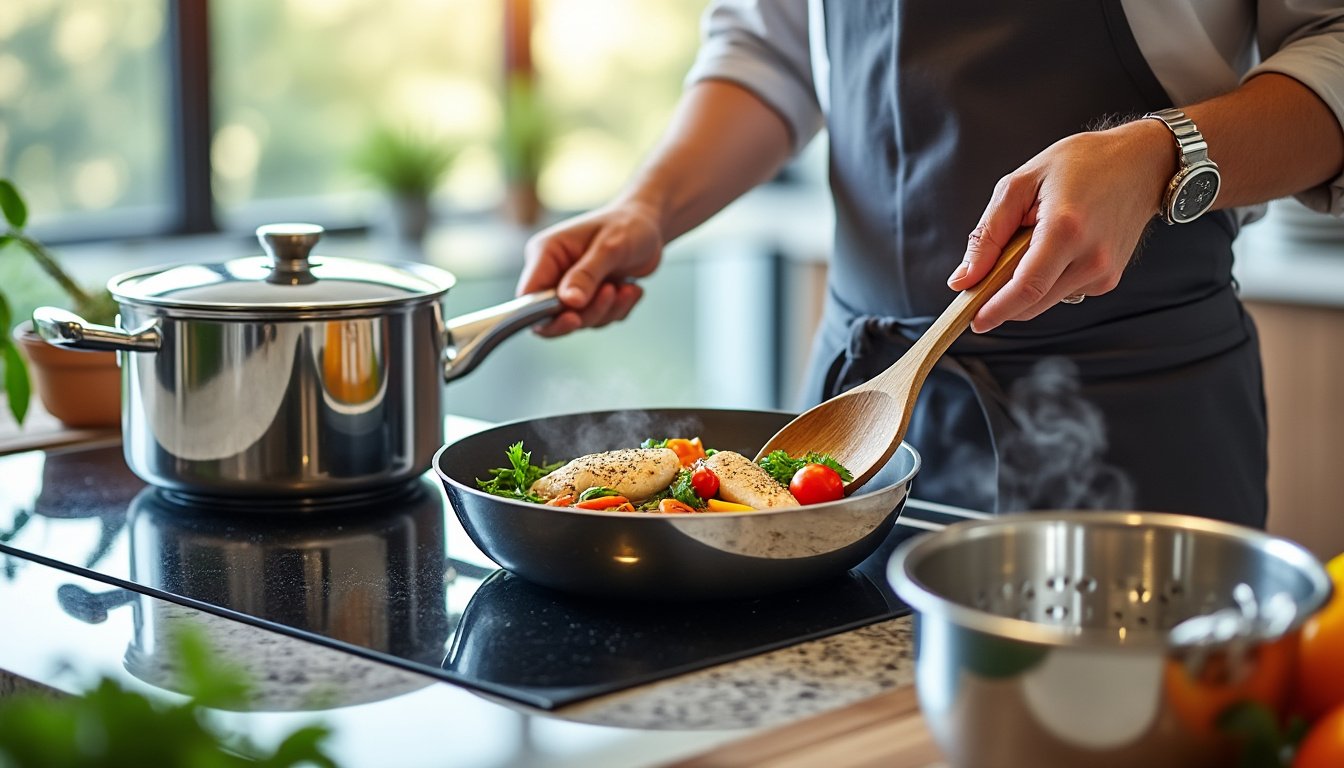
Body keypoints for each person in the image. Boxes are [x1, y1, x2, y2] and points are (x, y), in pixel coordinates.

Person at [515, 0, 1344, 527]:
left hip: (1135, 410)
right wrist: (647, 206)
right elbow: (770, 48)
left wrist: (1160, 153)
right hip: (853, 416)